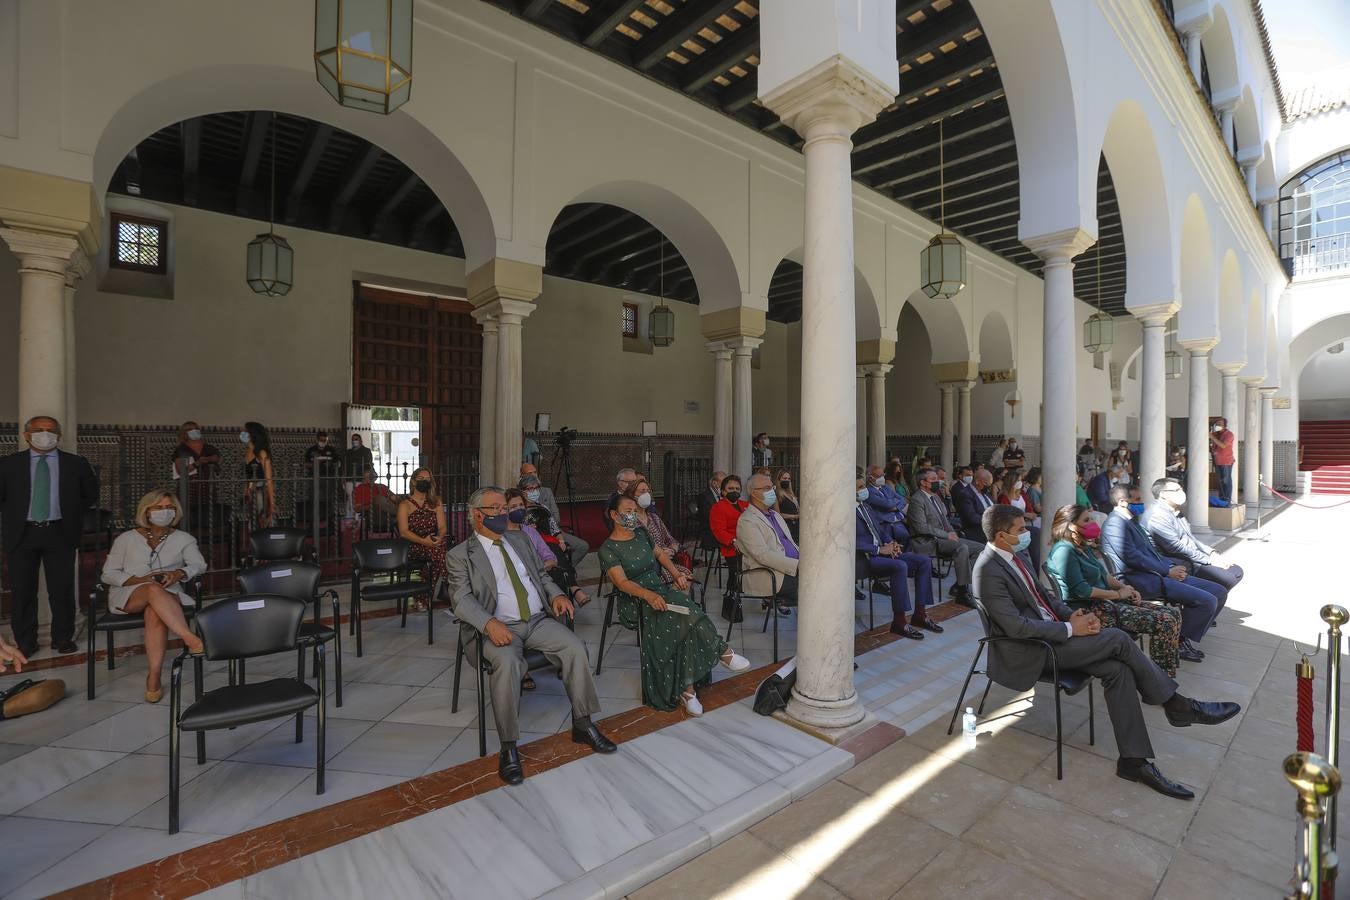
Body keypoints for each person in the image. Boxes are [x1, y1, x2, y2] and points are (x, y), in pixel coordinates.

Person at [972, 504, 1240, 799]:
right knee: (1117, 639)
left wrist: (1071, 617)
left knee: (1118, 670)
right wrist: (1071, 630)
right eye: (1021, 530)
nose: (1027, 534)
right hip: (1032, 650)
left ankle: (1133, 761)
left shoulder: (1015, 556)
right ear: (1001, 535)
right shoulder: (987, 570)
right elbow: (1016, 628)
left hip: (1055, 635)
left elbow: (1045, 598)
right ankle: (1176, 704)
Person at [447, 487, 616, 785]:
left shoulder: (520, 539)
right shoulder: (461, 555)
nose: (503, 514)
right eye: (495, 509)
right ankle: (509, 747)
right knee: (509, 664)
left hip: (536, 620)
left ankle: (583, 722)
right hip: (497, 628)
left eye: (504, 508)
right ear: (477, 515)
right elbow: (462, 600)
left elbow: (540, 576)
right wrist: (489, 624)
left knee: (575, 648)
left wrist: (557, 596)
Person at [599, 494, 750, 717]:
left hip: (659, 589)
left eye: (634, 511)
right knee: (682, 613)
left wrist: (676, 573)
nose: (633, 515)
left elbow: (660, 554)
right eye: (628, 511)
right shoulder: (608, 549)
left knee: (683, 618)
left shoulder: (641, 533)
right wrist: (648, 596)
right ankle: (723, 652)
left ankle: (688, 691)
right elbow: (622, 583)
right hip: (636, 600)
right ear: (614, 515)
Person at [0, 415, 100, 656]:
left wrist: (69, 511)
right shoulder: (8, 464)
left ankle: (63, 637)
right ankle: (26, 641)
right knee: (23, 590)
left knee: (62, 589)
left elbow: (91, 494)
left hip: (60, 532)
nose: (45, 434)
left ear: (59, 435)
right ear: (26, 435)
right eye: (39, 430)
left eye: (51, 430)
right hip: (22, 534)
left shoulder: (75, 463)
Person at [1045, 504, 1186, 673]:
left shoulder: (1081, 546)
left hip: (1106, 603)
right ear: (1071, 526)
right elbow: (1083, 591)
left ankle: (1164, 672)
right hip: (1090, 610)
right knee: (1166, 620)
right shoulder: (1063, 551)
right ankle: (1162, 677)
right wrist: (1118, 594)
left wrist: (1126, 588)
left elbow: (1104, 575)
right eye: (1086, 520)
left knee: (1174, 613)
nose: (1092, 523)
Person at [101, 490, 207, 701]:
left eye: (169, 508)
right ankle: (189, 638)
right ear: (146, 511)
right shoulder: (126, 538)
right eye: (158, 507)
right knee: (151, 589)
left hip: (168, 592)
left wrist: (179, 573)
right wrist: (140, 580)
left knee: (154, 612)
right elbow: (108, 574)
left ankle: (154, 677)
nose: (164, 512)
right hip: (129, 593)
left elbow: (199, 565)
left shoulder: (184, 539)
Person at [1101, 485, 1225, 659]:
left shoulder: (1131, 520)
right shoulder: (1115, 523)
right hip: (1138, 579)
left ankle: (1181, 635)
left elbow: (1152, 552)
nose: (1142, 503)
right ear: (1122, 502)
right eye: (1137, 500)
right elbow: (1134, 557)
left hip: (1156, 574)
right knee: (1208, 601)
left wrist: (1171, 566)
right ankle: (1177, 642)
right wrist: (1167, 570)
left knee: (1219, 592)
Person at [857, 469, 941, 639]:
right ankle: (900, 621)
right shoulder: (842, 512)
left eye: (862, 486)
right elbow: (850, 541)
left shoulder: (865, 506)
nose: (862, 490)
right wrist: (879, 550)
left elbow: (880, 529)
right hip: (865, 558)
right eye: (858, 487)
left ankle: (920, 614)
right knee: (900, 566)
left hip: (884, 552)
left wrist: (891, 543)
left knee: (923, 561)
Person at [1144, 478, 1245, 594]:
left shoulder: (1174, 511)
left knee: (1236, 571)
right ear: (1162, 494)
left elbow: (1191, 539)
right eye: (1176, 490)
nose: (1181, 493)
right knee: (1228, 579)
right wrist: (1209, 561)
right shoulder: (1158, 516)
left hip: (1192, 557)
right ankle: (1205, 599)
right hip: (1180, 562)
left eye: (1181, 489)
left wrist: (1212, 554)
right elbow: (1176, 548)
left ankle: (1208, 598)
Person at [907, 467, 984, 603]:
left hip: (943, 538)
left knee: (980, 549)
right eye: (934, 479)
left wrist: (951, 532)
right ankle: (962, 591)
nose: (938, 482)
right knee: (962, 548)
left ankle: (959, 583)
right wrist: (946, 535)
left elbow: (944, 518)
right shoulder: (917, 500)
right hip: (928, 540)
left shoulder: (935, 497)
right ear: (923, 483)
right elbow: (921, 527)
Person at [735, 473, 799, 614]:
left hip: (791, 568)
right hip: (770, 573)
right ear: (753, 493)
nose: (772, 491)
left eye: (772, 487)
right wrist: (797, 565)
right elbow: (762, 555)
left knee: (825, 577)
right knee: (816, 585)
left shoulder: (775, 515)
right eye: (766, 488)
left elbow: (789, 543)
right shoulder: (747, 520)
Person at [623, 473, 692, 584]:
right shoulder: (629, 520)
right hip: (646, 567)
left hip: (666, 562)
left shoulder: (654, 517)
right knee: (678, 579)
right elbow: (631, 549)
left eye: (647, 491)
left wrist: (672, 550)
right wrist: (659, 554)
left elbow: (671, 540)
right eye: (642, 491)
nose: (646, 494)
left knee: (686, 576)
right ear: (632, 495)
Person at [519, 464, 588, 569]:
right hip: (528, 535)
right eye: (529, 473)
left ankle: (566, 570)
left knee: (582, 546)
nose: (533, 475)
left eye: (535, 472)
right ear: (522, 476)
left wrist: (546, 523)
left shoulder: (546, 492)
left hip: (551, 530)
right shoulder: (517, 496)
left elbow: (556, 517)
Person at [398, 468, 448, 612]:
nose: (424, 481)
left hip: (433, 542)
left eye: (427, 479)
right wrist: (424, 541)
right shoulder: (405, 505)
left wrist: (439, 537)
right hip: (413, 545)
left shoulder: (436, 501)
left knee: (437, 551)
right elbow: (404, 532)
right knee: (439, 553)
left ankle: (423, 599)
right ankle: (451, 588)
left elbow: (443, 527)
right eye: (421, 478)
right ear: (413, 481)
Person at [240, 421, 275, 529]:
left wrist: (272, 503)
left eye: (245, 431)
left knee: (261, 521)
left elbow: (269, 479)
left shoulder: (261, 453)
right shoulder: (247, 451)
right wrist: (247, 489)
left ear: (252, 434)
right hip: (251, 492)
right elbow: (248, 476)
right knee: (253, 522)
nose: (242, 433)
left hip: (261, 491)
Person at [864, 463, 908, 542]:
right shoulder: (869, 492)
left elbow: (902, 499)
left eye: (883, 475)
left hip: (898, 520)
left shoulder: (885, 487)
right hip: (885, 524)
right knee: (903, 538)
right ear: (870, 478)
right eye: (879, 476)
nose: (882, 478)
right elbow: (887, 504)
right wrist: (894, 503)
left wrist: (895, 507)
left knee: (908, 538)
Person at [709, 474, 747, 561]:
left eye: (737, 489)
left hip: (750, 545)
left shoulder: (746, 505)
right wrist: (733, 541)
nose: (734, 491)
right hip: (733, 548)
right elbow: (719, 530)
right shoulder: (718, 507)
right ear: (723, 491)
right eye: (730, 488)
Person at [955, 467, 993, 542]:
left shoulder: (985, 493)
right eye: (986, 483)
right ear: (977, 481)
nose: (988, 487)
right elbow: (972, 518)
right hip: (977, 532)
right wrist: (991, 520)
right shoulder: (965, 494)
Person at [1208, 418, 1235, 500]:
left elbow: (1223, 445)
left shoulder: (1229, 434)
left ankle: (1227, 500)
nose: (1218, 425)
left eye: (1220, 424)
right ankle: (1221, 499)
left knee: (1226, 481)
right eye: (1217, 424)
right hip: (1217, 461)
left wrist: (1212, 437)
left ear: (1225, 425)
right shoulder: (1216, 434)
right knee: (1219, 482)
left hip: (1226, 461)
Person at [773, 468, 800, 540]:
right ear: (779, 479)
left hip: (797, 527)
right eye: (784, 478)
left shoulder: (791, 494)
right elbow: (777, 514)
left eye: (789, 478)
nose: (787, 480)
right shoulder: (776, 494)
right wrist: (795, 516)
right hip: (786, 527)